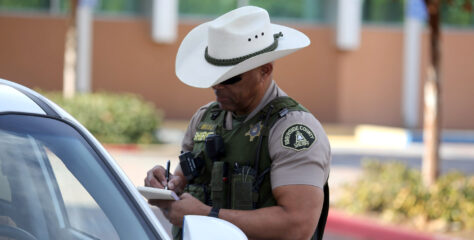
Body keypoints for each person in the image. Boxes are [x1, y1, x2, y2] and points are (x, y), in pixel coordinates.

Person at [145, 6, 331, 240]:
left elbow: (297, 224)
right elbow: (184, 179)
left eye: (230, 77)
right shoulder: (205, 118)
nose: (218, 86)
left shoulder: (292, 130)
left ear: (265, 70)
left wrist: (207, 215)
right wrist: (167, 184)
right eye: (215, 75)